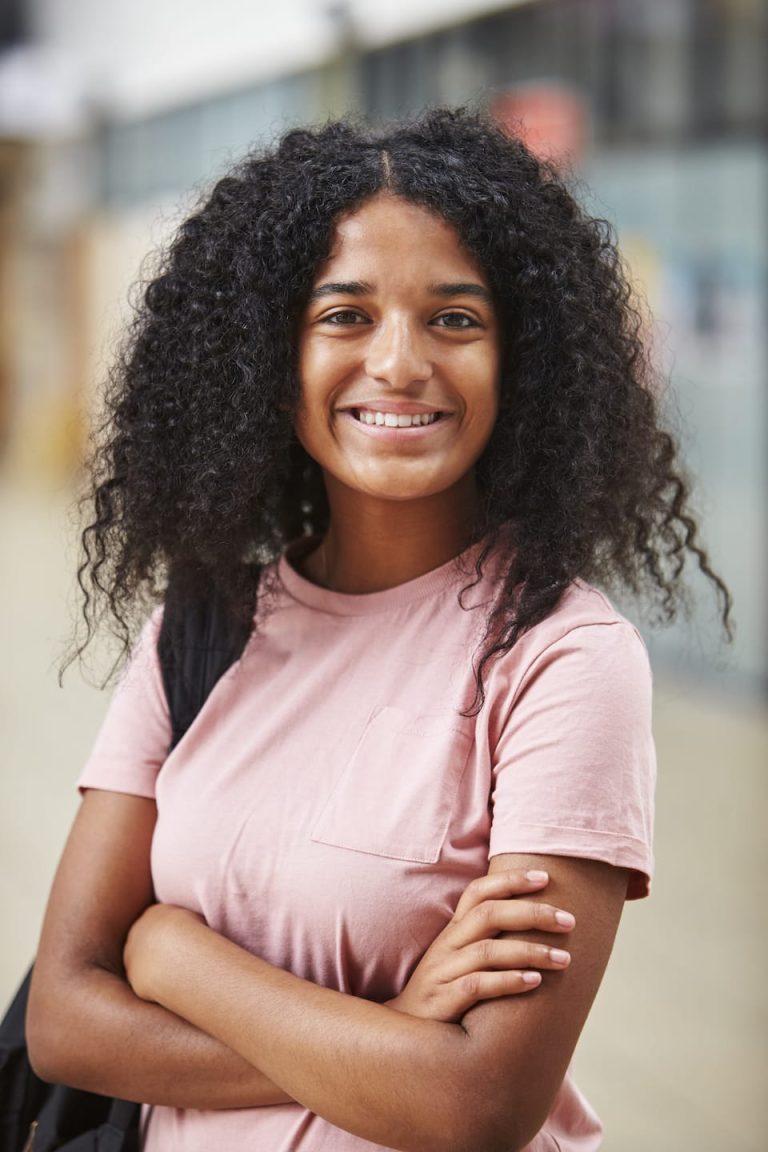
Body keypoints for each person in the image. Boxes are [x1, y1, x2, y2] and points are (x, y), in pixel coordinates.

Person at [27, 108, 731, 1151]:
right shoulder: (200, 630)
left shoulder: (561, 660)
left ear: (522, 361)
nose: (398, 363)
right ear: (269, 350)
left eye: (454, 319)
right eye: (344, 315)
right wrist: (393, 1039)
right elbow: (63, 1021)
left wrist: (178, 957)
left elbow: (477, 1104)